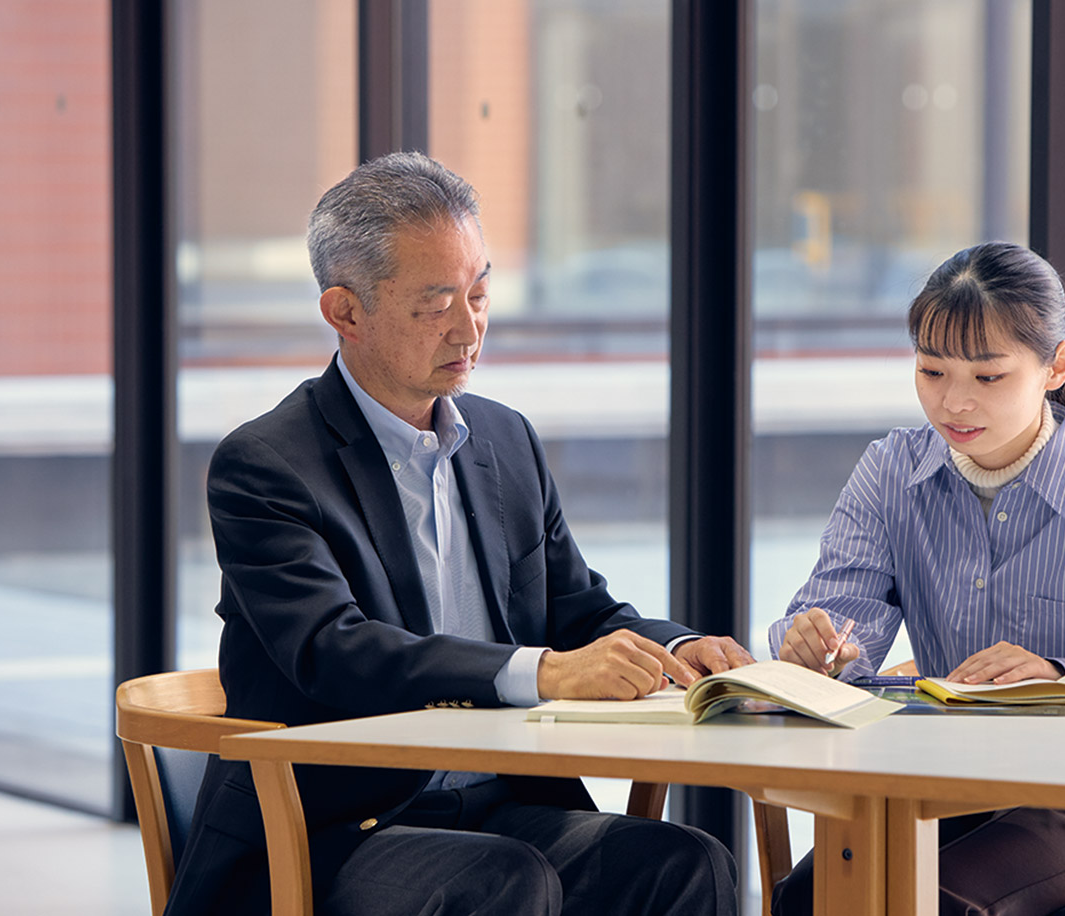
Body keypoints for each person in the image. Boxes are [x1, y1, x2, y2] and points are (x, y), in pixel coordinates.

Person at [166, 151, 751, 916]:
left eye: (479, 294)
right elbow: (334, 652)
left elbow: (578, 612)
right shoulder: (266, 465)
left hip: (501, 804)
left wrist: (680, 652)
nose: (469, 327)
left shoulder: (504, 439)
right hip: (331, 830)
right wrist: (541, 673)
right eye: (435, 304)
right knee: (505, 882)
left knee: (686, 861)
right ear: (345, 312)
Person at [767, 241, 1065, 916]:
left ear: (1055, 366)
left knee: (936, 902)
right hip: (948, 786)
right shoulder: (889, 476)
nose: (953, 402)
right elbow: (842, 631)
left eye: (988, 377)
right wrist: (817, 649)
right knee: (806, 899)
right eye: (932, 371)